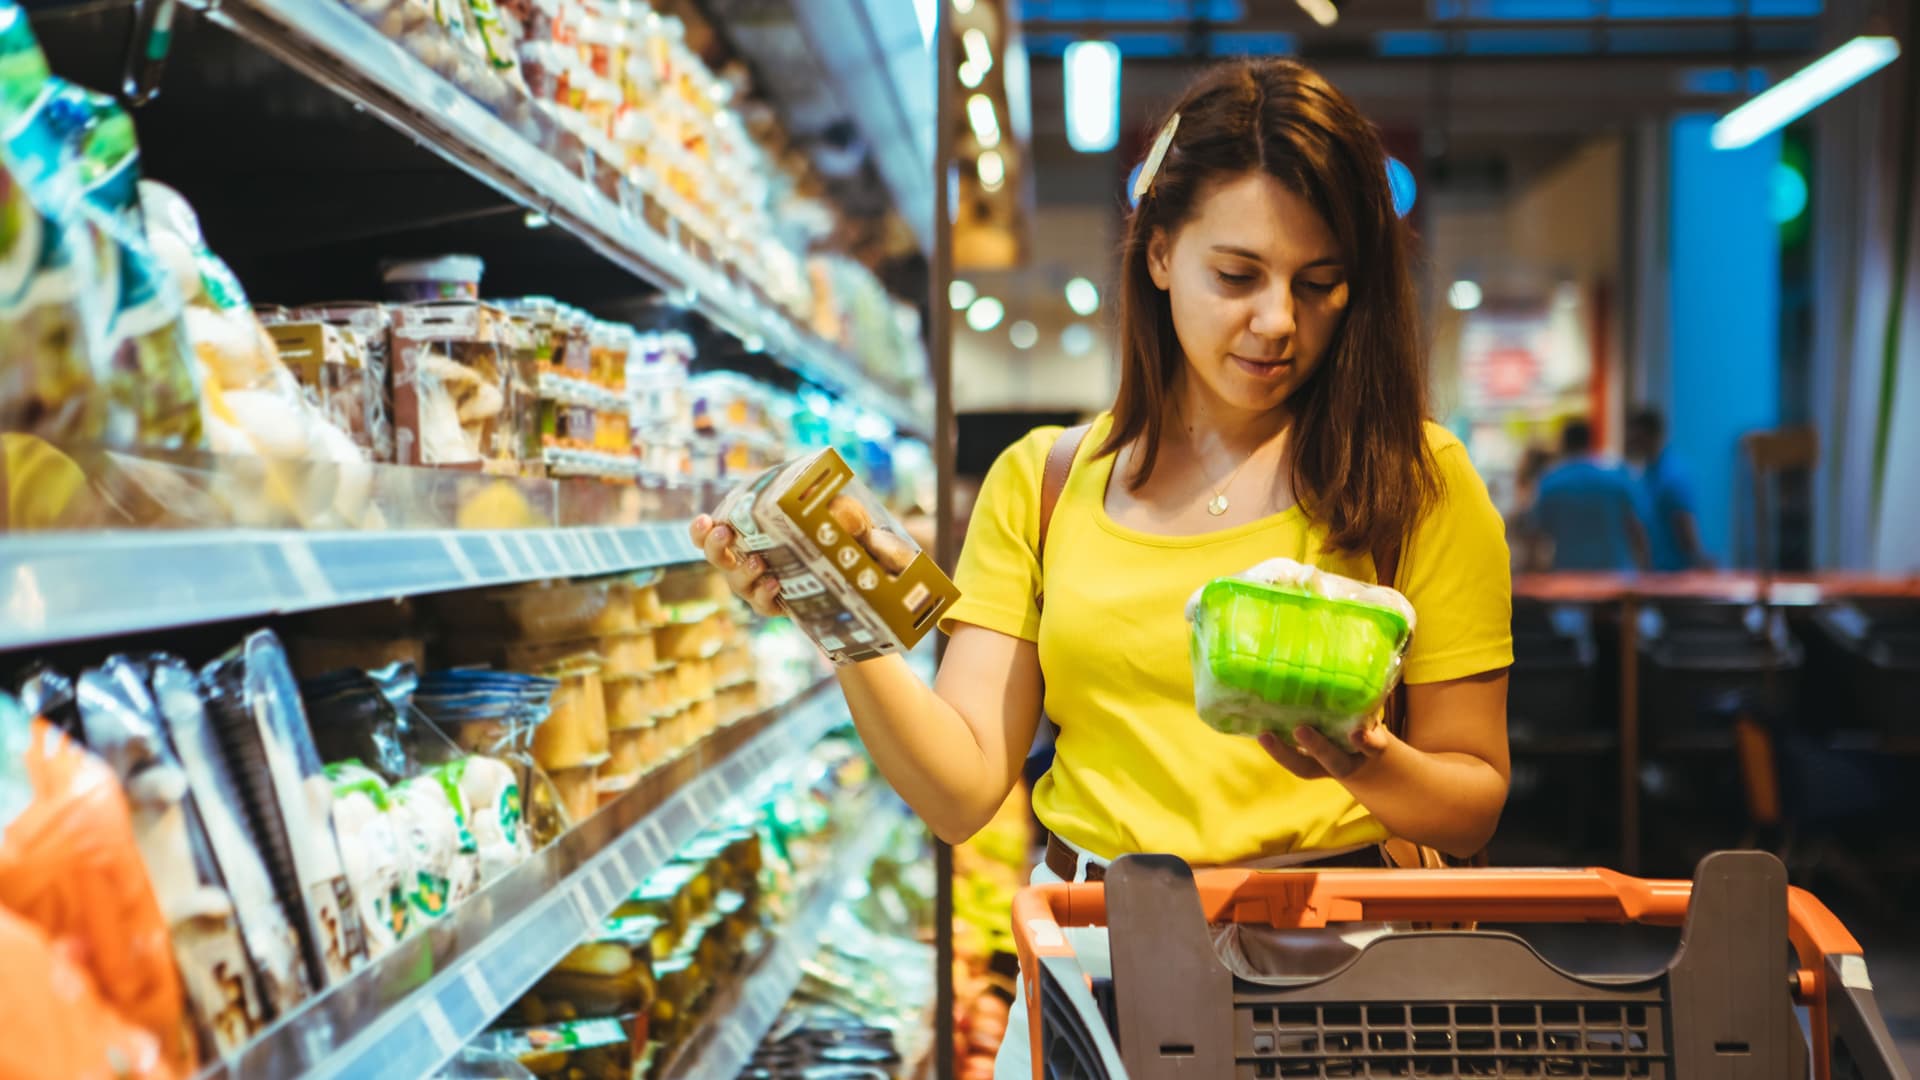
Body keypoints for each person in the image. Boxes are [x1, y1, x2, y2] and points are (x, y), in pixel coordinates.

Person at [692, 58, 1513, 1078]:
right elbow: (960, 791)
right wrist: (837, 612)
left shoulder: (1415, 479)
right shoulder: (1043, 482)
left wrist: (1359, 759)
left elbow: (1473, 799)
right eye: (1237, 274)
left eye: (1319, 283)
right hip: (1099, 965)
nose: (1277, 323)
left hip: (1343, 978)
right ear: (1160, 252)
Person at [1529, 419, 1649, 572]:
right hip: (1616, 579)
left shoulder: (1550, 483)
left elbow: (1536, 536)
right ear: (1590, 443)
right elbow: (1636, 528)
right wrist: (1646, 568)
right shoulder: (1616, 479)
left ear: (1564, 444)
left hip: (1569, 580)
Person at [1625, 407, 1713, 571]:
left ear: (1653, 435)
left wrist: (1700, 560)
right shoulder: (1646, 474)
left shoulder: (1671, 477)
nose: (1632, 441)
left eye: (1637, 436)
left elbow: (1685, 527)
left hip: (1675, 575)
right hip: (1655, 572)